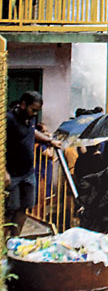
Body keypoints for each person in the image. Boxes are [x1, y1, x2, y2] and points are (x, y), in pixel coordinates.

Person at [5, 91, 60, 236]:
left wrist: (49, 141)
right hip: (12, 173)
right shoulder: (8, 119)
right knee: (11, 209)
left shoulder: (30, 119)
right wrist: (4, 172)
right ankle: (3, 242)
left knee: (25, 207)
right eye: (33, 110)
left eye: (37, 111)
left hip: (28, 172)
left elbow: (32, 132)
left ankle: (14, 239)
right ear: (23, 105)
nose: (35, 113)